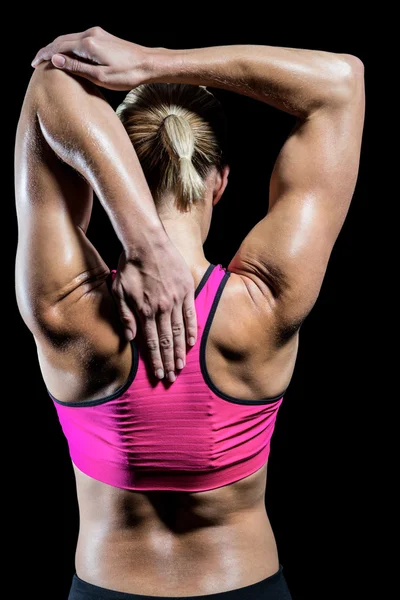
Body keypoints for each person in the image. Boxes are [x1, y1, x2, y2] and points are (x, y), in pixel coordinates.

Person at [15, 27, 365, 600]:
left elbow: (49, 81)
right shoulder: (266, 298)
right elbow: (342, 84)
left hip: (106, 587)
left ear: (99, 171)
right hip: (246, 587)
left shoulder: (65, 302)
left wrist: (138, 236)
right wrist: (153, 64)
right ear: (220, 183)